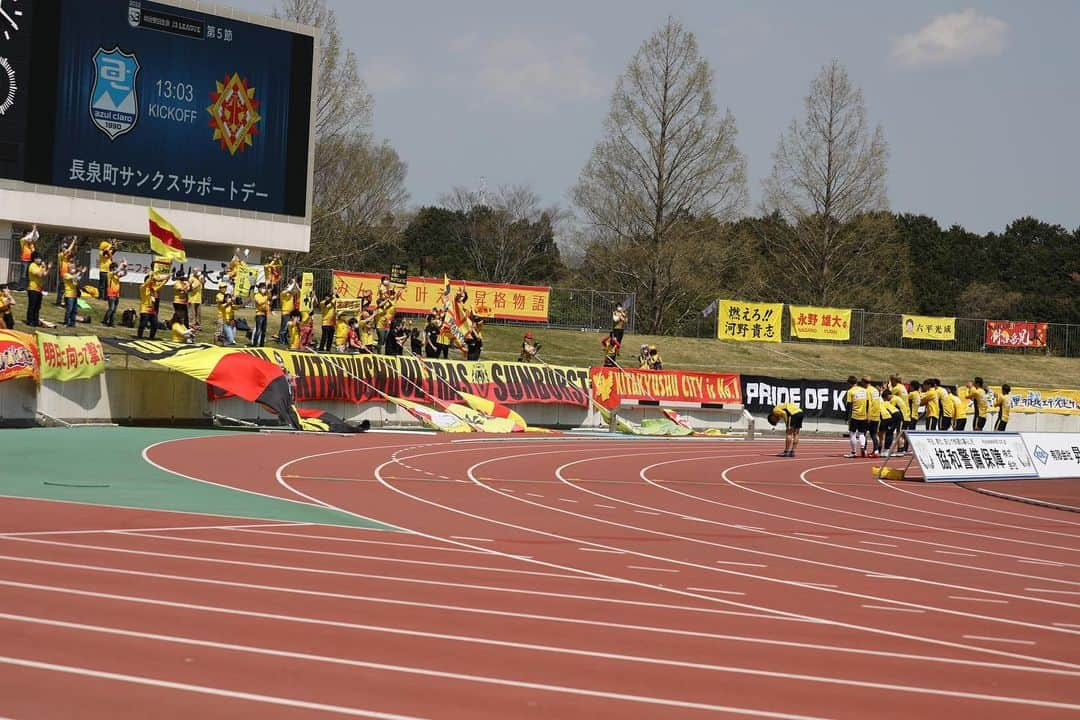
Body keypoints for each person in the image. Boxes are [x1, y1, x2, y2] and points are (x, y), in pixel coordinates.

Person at [844, 376, 870, 458]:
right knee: (862, 433)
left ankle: (853, 452)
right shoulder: (864, 390)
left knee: (852, 433)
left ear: (849, 383)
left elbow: (849, 405)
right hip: (863, 415)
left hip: (854, 415)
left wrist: (846, 416)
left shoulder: (850, 391)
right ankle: (862, 447)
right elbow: (868, 403)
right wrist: (867, 414)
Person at [137, 272, 165, 339]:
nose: (153, 282)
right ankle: (139, 336)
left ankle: (151, 337)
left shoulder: (154, 289)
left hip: (152, 310)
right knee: (143, 323)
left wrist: (168, 277)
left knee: (155, 324)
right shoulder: (143, 287)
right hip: (144, 309)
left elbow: (162, 283)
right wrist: (151, 276)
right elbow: (147, 283)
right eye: (152, 280)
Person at [24, 253, 50, 327]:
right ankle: (30, 321)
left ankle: (35, 320)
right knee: (32, 306)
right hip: (33, 288)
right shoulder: (32, 265)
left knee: (38, 306)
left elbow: (44, 274)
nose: (40, 260)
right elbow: (39, 274)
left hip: (39, 289)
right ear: (34, 259)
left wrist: (48, 268)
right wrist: (43, 267)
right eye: (38, 258)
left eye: (40, 258)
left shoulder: (39, 266)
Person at [101, 260, 127, 327]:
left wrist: (125, 267)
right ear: (112, 268)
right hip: (111, 294)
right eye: (115, 267)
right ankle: (105, 320)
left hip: (117, 294)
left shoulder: (117, 275)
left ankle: (111, 323)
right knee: (111, 308)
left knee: (114, 310)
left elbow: (124, 274)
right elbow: (116, 271)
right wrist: (121, 265)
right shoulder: (110, 274)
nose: (117, 268)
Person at [277, 275, 300, 343]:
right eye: (287, 286)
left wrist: (295, 283)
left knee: (287, 329)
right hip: (285, 312)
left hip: (290, 312)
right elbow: (289, 289)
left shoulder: (291, 294)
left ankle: (285, 340)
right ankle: (281, 340)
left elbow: (298, 291)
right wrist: (293, 282)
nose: (288, 287)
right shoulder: (283, 293)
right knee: (283, 328)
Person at [61, 262, 85, 327]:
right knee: (69, 310)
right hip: (68, 295)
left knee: (74, 310)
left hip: (74, 295)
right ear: (68, 268)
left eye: (73, 268)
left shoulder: (74, 274)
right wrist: (80, 271)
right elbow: (74, 277)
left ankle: (72, 323)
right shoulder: (66, 274)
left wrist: (82, 272)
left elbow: (78, 278)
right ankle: (66, 322)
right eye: (72, 268)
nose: (73, 269)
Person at [866, 378, 882, 456]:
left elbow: (868, 404)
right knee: (874, 434)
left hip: (870, 415)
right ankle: (876, 451)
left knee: (864, 433)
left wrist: (868, 415)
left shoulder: (867, 390)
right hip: (877, 415)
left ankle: (864, 450)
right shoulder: (875, 390)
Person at [251, 282, 270, 347]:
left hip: (265, 314)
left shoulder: (265, 296)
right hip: (259, 315)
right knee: (258, 330)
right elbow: (259, 302)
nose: (264, 289)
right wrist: (266, 298)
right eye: (263, 288)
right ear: (259, 289)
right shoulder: (257, 295)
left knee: (264, 331)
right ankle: (254, 344)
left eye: (265, 288)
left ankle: (262, 345)